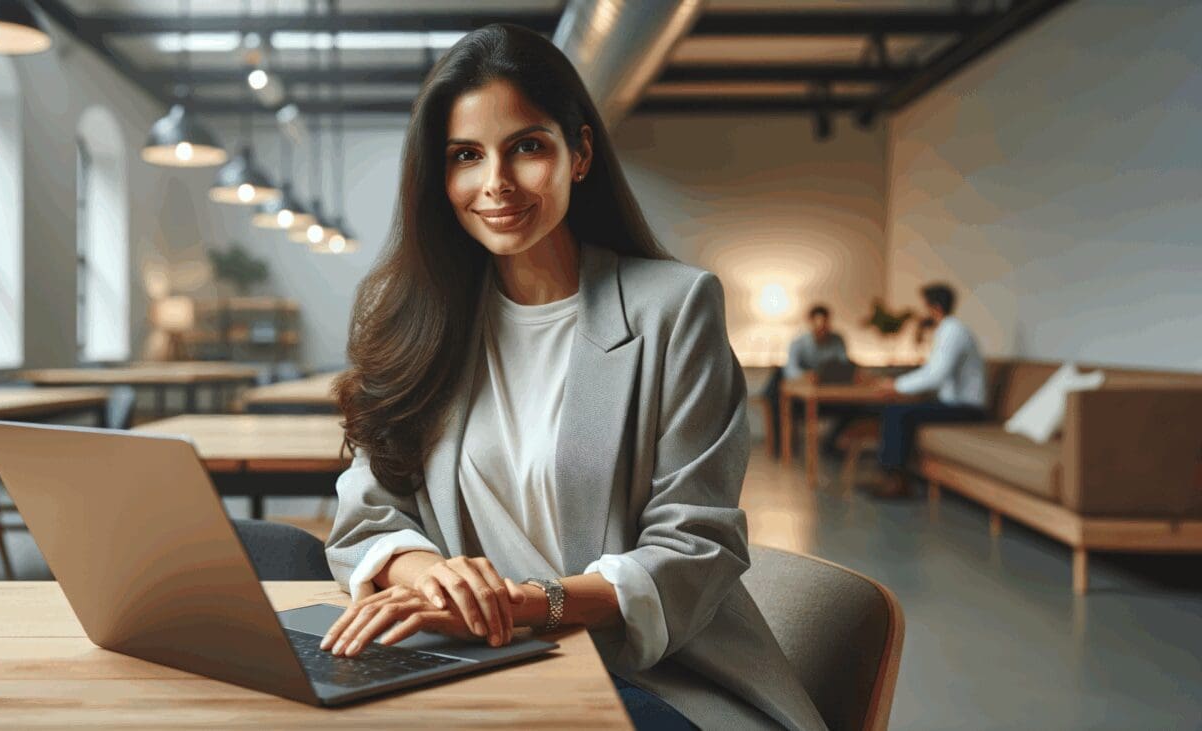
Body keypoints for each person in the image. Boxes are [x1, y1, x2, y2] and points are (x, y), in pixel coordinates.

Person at [318, 25, 826, 731]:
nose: (495, 182)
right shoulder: (415, 320)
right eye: (466, 156)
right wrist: (430, 575)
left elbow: (694, 546)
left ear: (579, 153)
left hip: (647, 671)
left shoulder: (675, 307)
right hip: (474, 664)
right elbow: (370, 510)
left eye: (525, 146)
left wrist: (532, 601)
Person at [874, 283, 987, 497]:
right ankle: (888, 475)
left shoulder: (953, 331)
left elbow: (935, 376)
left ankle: (895, 481)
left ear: (934, 308)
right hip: (953, 405)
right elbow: (932, 371)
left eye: (925, 307)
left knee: (896, 413)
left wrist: (895, 386)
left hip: (967, 409)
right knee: (897, 410)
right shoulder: (947, 331)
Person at [762, 305, 856, 454]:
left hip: (830, 393)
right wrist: (805, 376)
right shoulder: (799, 343)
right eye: (817, 324)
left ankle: (832, 445)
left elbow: (844, 365)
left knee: (856, 407)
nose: (821, 329)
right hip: (800, 396)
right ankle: (782, 449)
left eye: (825, 324)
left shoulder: (837, 340)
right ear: (810, 322)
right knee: (781, 403)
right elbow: (790, 370)